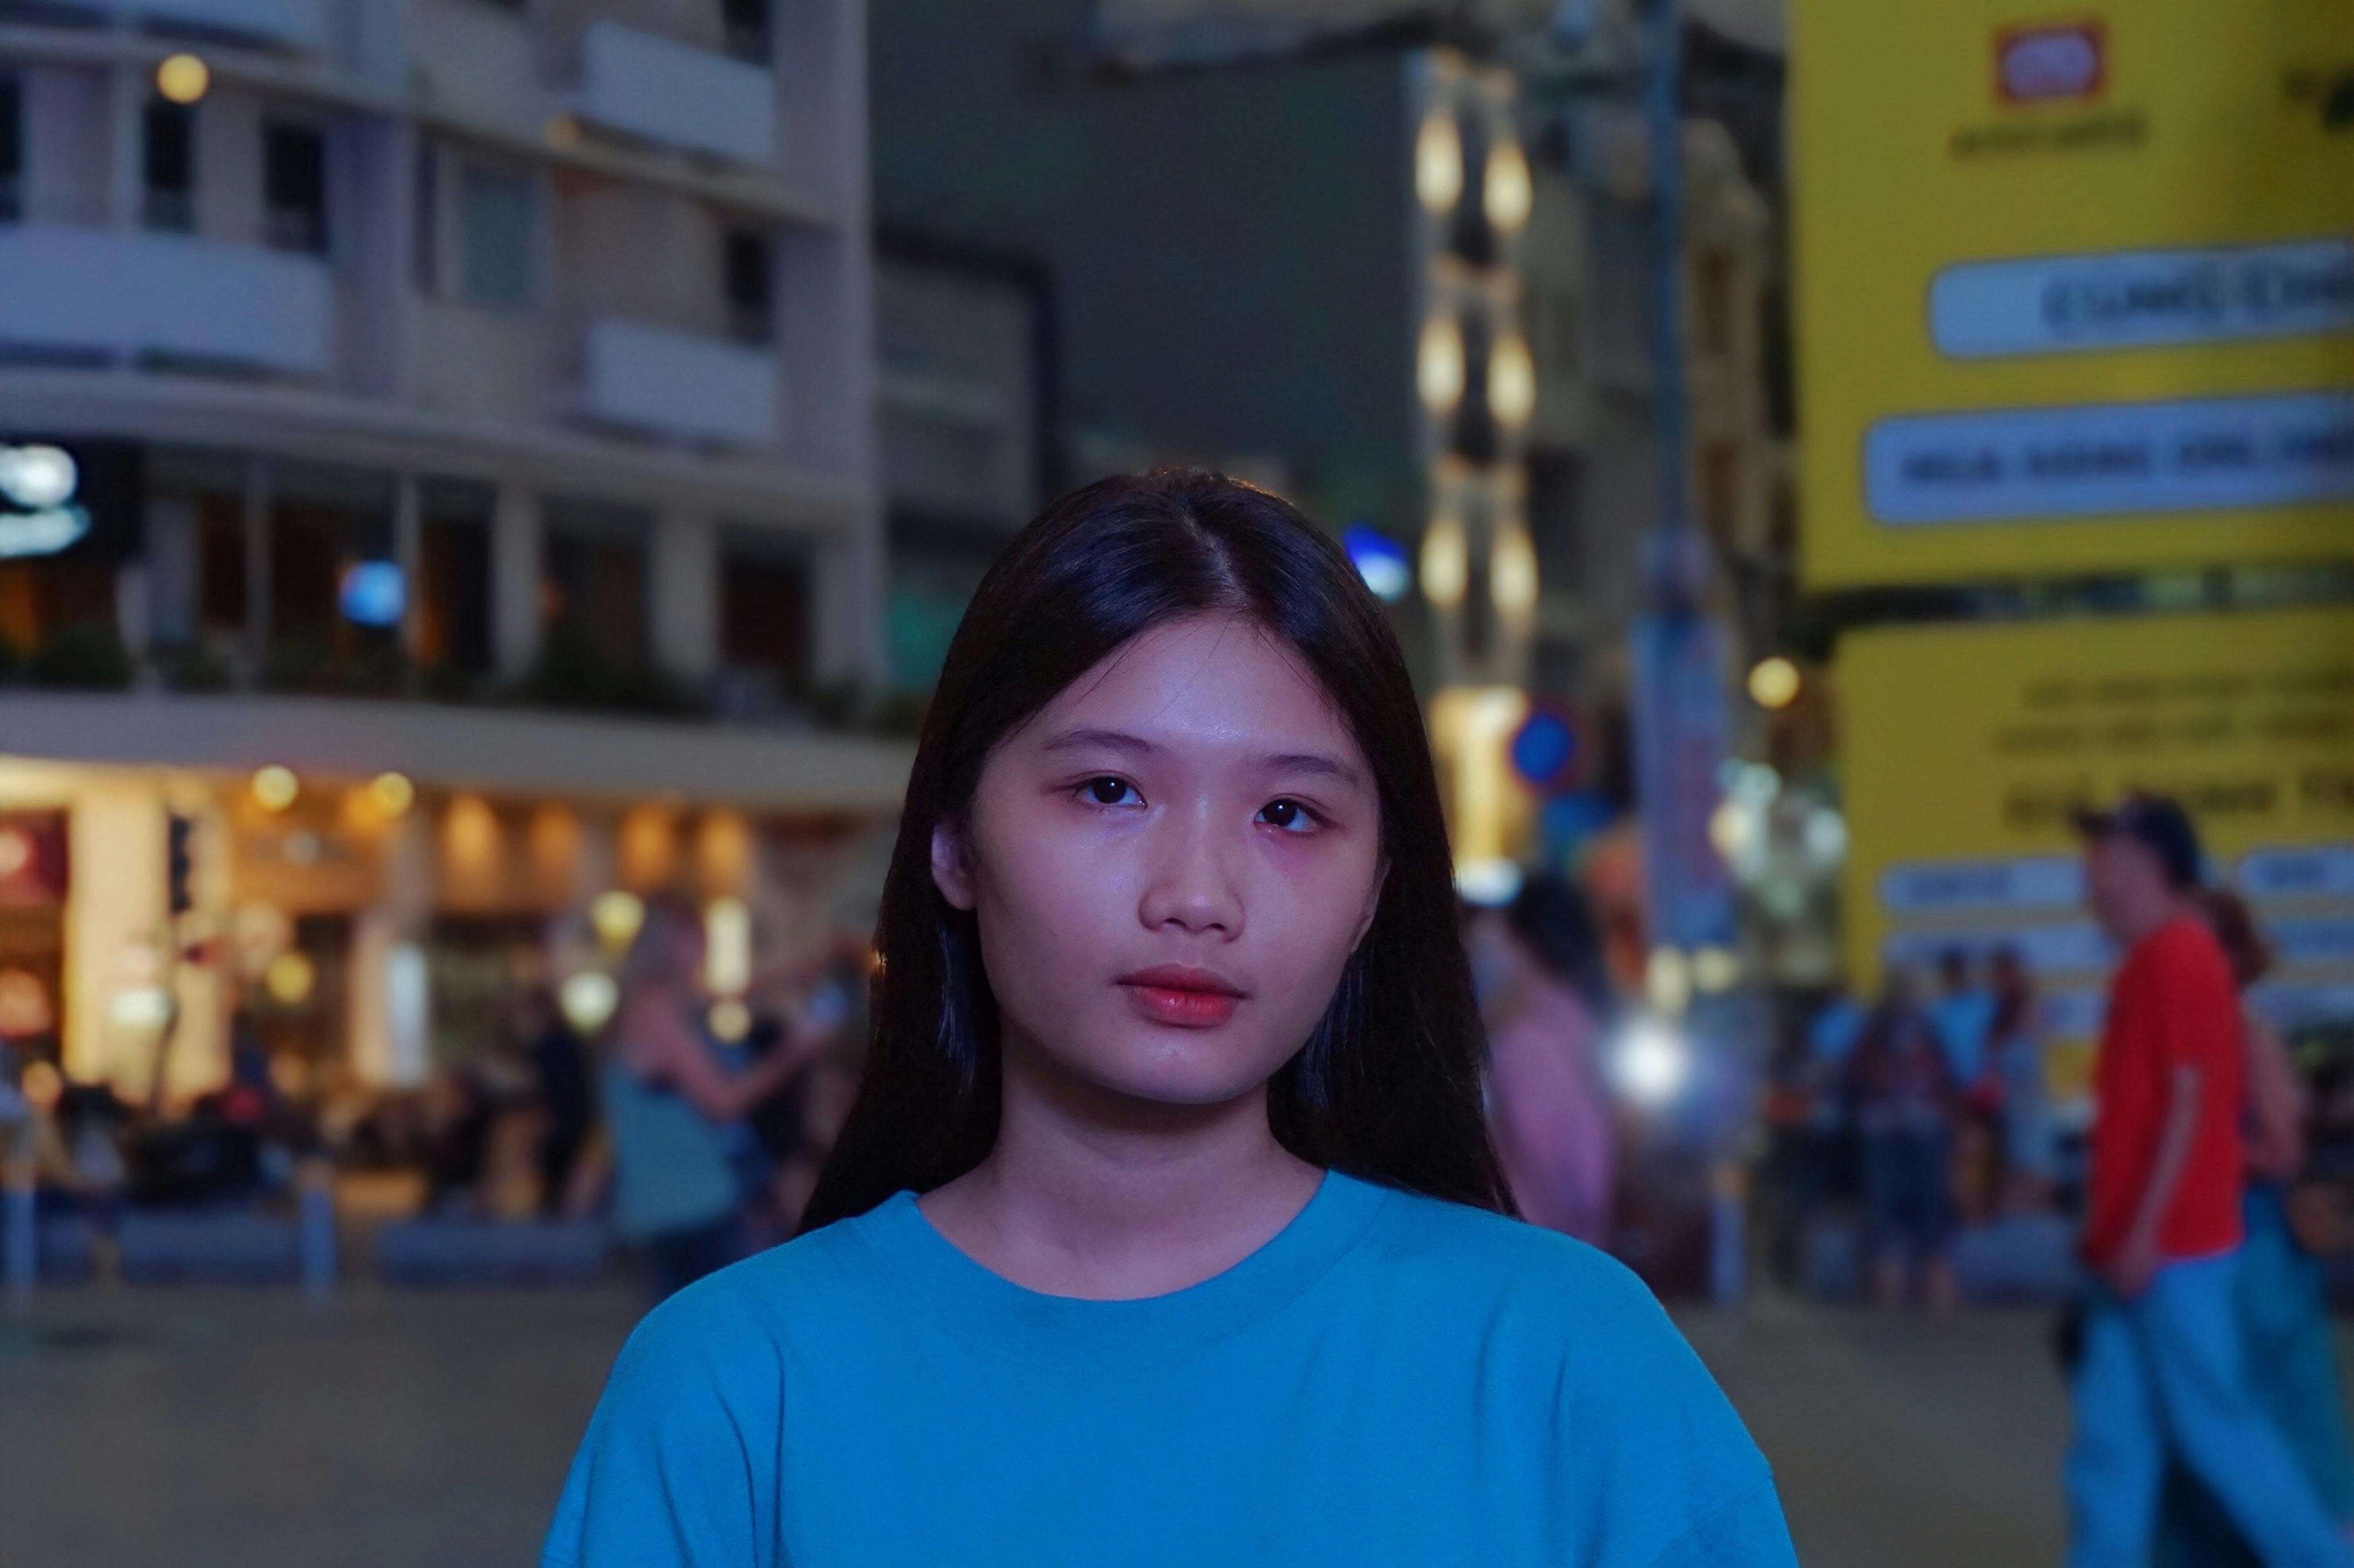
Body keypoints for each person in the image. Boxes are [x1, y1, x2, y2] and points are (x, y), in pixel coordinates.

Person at [545, 471, 1795, 1567]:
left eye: (1289, 814)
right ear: (952, 842)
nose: (1194, 894)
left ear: (1376, 887)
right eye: (1107, 789)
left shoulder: (1569, 1366)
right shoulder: (728, 1393)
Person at [2063, 793, 2354, 1568]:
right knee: (2114, 1444)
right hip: (2142, 1251)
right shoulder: (2152, 960)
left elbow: (2190, 1104)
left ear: (2146, 863)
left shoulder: (2182, 954)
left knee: (2217, 1427)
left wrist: (2144, 1236)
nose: (2090, 878)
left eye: (2102, 859)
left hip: (2174, 1251)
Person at [2155, 891, 2354, 1565]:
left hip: (2258, 1253)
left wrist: (2199, 1148)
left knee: (2282, 1428)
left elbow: (2284, 1150)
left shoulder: (2248, 1033)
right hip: (2198, 1254)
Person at [601, 899, 805, 1301]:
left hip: (677, 1205)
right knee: (711, 1338)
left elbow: (732, 993)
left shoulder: (655, 1003)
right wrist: (794, 1051)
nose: (704, 945)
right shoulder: (656, 1008)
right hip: (688, 1206)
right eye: (694, 935)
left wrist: (805, 970)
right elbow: (722, 1101)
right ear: (667, 944)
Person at [1464, 874, 1616, 1245]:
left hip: (1534, 1243)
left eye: (1495, 938)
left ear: (1524, 943)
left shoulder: (1526, 1041)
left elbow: (1575, 1180)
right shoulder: (1581, 1019)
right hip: (1575, 1249)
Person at [1848, 983, 1959, 1308]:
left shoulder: (1926, 1036)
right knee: (1886, 1217)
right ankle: (1889, 1296)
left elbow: (1944, 1080)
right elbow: (1860, 1080)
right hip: (1887, 1131)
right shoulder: (1874, 1038)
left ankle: (1930, 1296)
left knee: (1927, 1218)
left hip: (1919, 1131)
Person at [1988, 947, 2056, 1215]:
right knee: (2016, 1164)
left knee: (2036, 1164)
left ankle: (2036, 1216)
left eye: (2001, 976)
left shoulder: (2028, 1005)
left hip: (2030, 1100)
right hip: (2012, 1103)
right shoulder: (1998, 1014)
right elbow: (1992, 1059)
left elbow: (2039, 1043)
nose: (1997, 983)